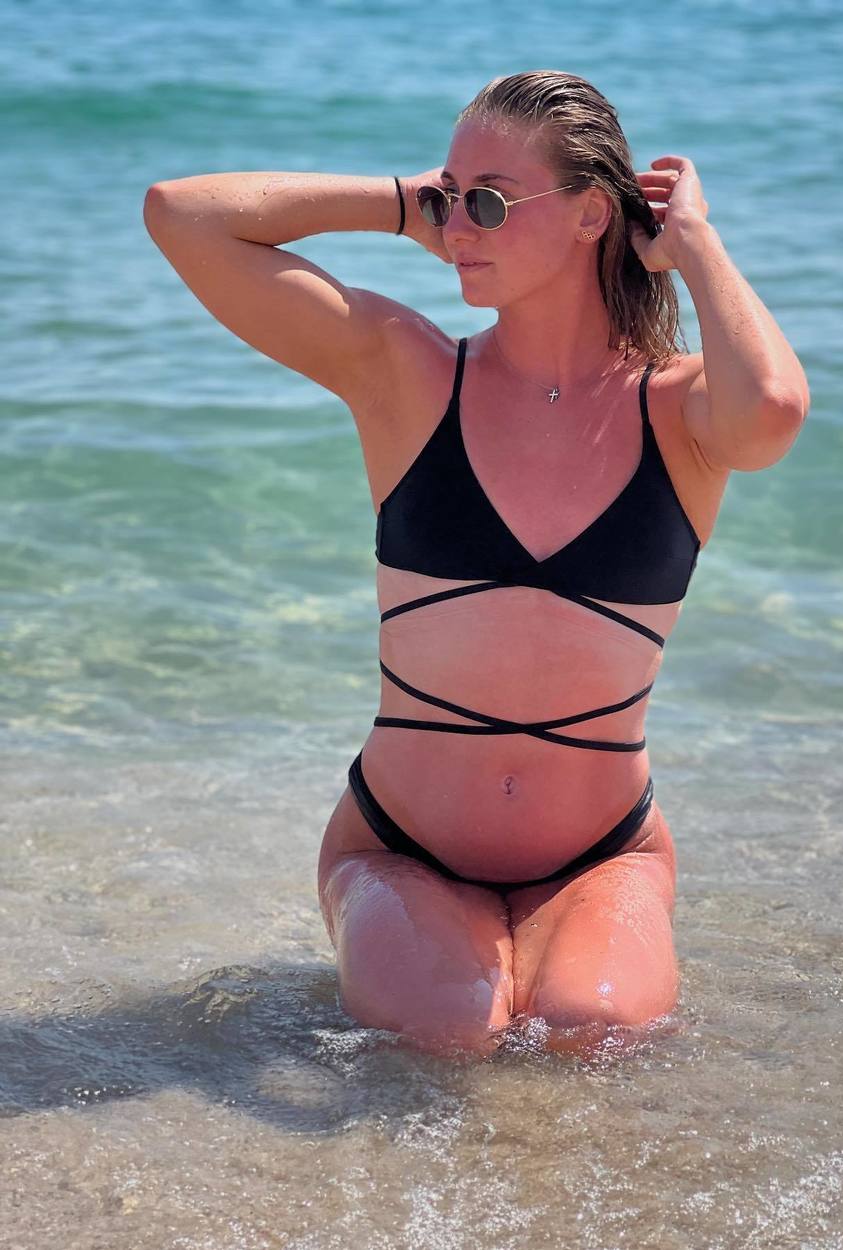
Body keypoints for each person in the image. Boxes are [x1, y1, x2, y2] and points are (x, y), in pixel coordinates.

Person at [144, 70, 809, 1060]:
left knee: (595, 1029)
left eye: (490, 203)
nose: (461, 227)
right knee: (442, 1030)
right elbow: (183, 216)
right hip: (402, 848)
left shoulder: (678, 410)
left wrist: (697, 245)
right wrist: (402, 203)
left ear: (590, 214)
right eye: (451, 197)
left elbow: (773, 412)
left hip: (599, 853)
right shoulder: (407, 371)